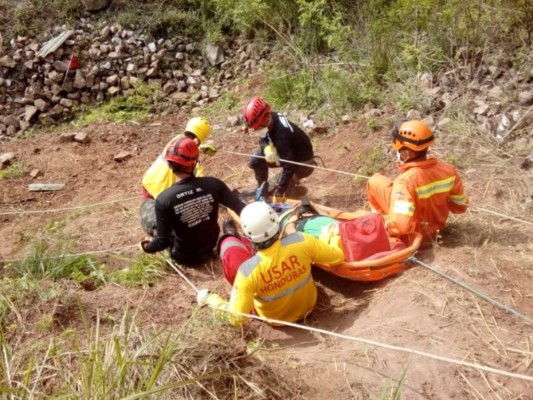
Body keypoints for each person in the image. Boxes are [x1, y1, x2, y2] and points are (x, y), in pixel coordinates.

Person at [196, 201, 345, 327]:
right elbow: (337, 257)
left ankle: (231, 236)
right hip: (308, 305)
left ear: (249, 236)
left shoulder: (247, 271)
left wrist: (210, 299)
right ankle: (232, 236)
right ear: (276, 223)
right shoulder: (302, 240)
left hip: (276, 320)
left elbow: (236, 319)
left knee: (229, 244)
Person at [139, 136, 245, 264]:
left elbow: (162, 241)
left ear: (169, 164)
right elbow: (240, 207)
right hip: (210, 245)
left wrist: (146, 247)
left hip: (182, 256)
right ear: (194, 162)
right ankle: (228, 237)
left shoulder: (164, 199)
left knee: (147, 204)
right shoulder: (214, 184)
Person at [365, 119, 469, 241]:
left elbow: (402, 227)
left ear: (406, 152)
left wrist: (385, 225)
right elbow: (460, 207)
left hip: (414, 235)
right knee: (377, 181)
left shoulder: (405, 182)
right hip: (437, 229)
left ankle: (381, 231)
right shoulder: (448, 171)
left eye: (399, 149)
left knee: (374, 182)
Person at [140, 117, 216, 236]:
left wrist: (201, 149)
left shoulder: (175, 141)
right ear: (198, 139)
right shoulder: (194, 163)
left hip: (149, 184)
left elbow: (185, 147)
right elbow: (200, 180)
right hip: (161, 194)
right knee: (169, 227)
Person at [242, 97, 315, 201]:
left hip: (303, 164)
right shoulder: (271, 116)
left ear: (266, 118)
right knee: (256, 159)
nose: (256, 130)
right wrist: (266, 148)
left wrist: (279, 193)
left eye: (257, 127)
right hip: (290, 154)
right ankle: (262, 188)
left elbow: (288, 166)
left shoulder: (281, 136)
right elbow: (263, 137)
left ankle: (291, 191)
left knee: (275, 193)